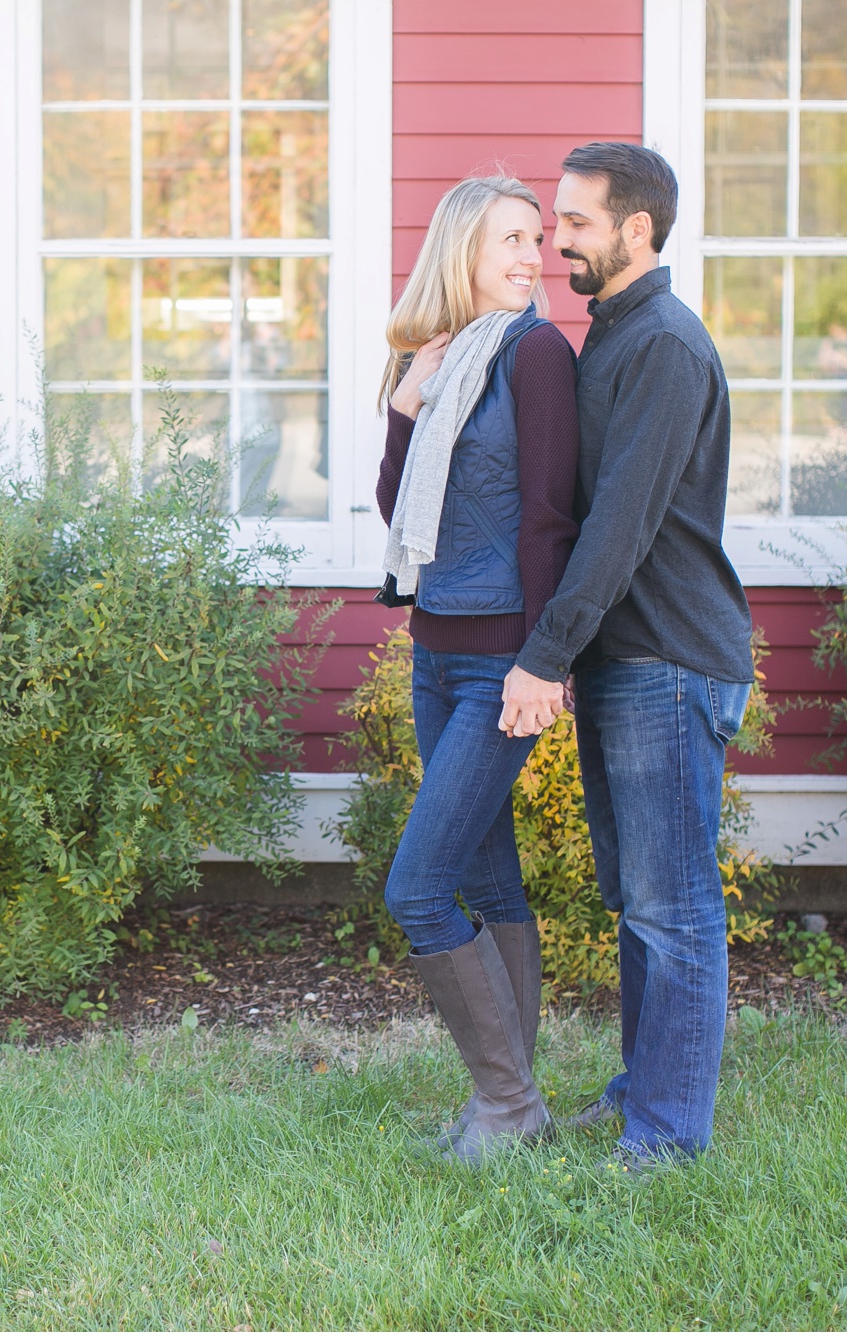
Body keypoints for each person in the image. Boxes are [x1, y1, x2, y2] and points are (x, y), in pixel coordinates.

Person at [497, 142, 756, 1170]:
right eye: (555, 221)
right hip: (626, 655)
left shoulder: (661, 346)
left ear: (636, 228)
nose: (558, 238)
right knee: (639, 900)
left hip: (668, 655)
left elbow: (618, 525)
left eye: (576, 222)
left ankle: (664, 1137)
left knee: (673, 906)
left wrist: (540, 653)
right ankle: (642, 1093)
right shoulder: (611, 335)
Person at [376, 174, 580, 1161]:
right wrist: (408, 400)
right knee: (489, 881)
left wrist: (543, 662)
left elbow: (549, 515)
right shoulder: (446, 359)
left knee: (418, 887)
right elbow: (396, 507)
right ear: (460, 249)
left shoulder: (535, 354)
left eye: (533, 240)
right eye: (506, 239)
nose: (526, 257)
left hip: (501, 661)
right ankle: (512, 1105)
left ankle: (505, 1104)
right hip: (435, 653)